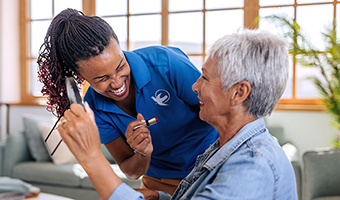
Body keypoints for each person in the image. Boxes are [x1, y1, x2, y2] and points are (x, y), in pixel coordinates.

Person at [58, 29, 298, 200]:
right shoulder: (224, 149)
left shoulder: (251, 165)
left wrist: (91, 158)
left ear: (239, 93)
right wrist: (159, 197)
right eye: (101, 79)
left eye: (204, 77)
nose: (193, 87)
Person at [37, 8, 218, 195]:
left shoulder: (167, 64)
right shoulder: (93, 109)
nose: (117, 83)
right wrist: (143, 152)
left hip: (212, 168)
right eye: (101, 79)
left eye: (120, 65)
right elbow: (130, 171)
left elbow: (222, 113)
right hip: (161, 181)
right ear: (80, 77)